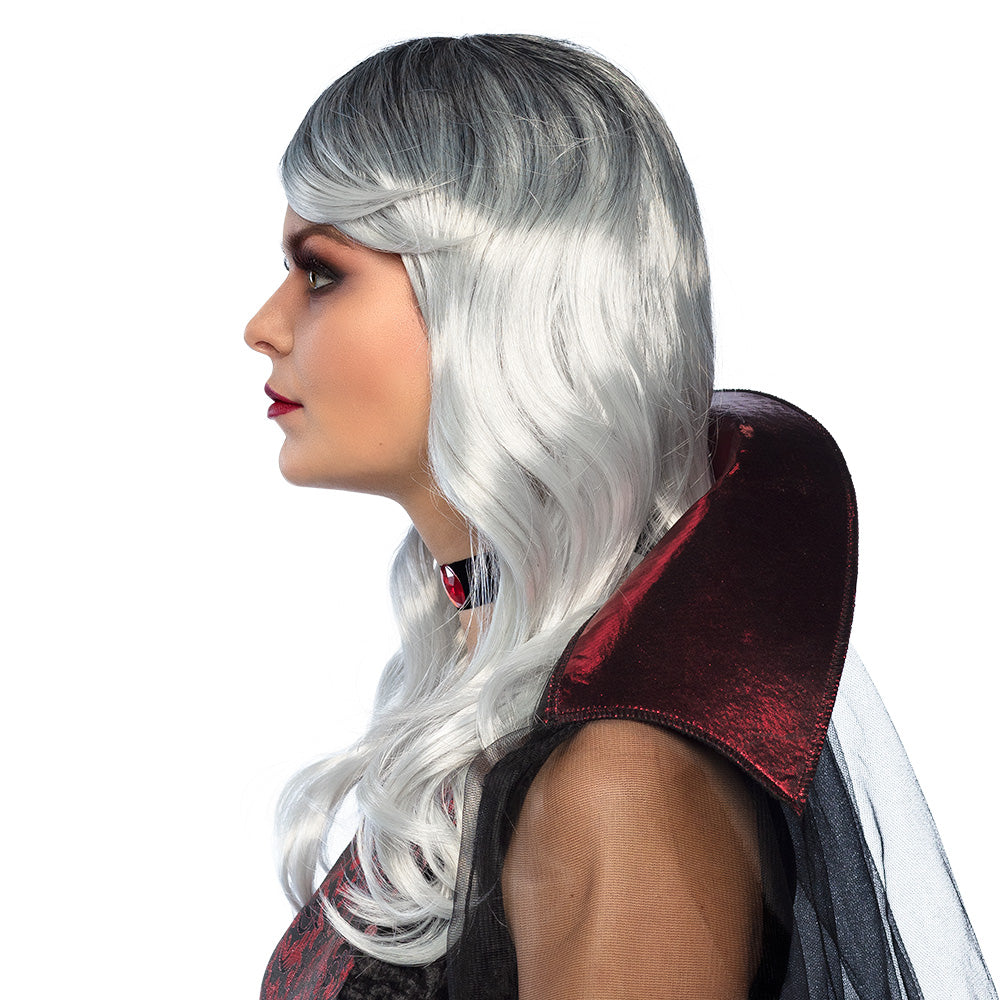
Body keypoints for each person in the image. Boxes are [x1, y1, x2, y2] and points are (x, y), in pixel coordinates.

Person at [244, 34, 996, 1000]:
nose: (262, 325)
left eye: (320, 273)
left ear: (498, 296)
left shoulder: (618, 783)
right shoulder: (514, 731)